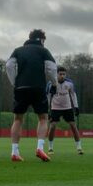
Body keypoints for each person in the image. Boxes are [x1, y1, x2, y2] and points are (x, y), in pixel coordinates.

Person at [6, 29, 58, 162]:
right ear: (41, 40)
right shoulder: (44, 51)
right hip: (38, 87)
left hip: (20, 87)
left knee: (17, 119)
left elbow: (9, 66)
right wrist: (54, 83)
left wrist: (14, 82)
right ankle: (40, 148)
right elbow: (51, 68)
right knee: (43, 118)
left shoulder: (18, 50)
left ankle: (14, 152)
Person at [47, 66, 83, 155]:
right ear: (57, 74)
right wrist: (48, 110)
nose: (62, 76)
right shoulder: (51, 83)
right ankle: (50, 147)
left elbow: (73, 94)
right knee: (53, 126)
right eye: (60, 74)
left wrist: (76, 107)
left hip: (67, 108)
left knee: (73, 126)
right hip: (55, 108)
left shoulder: (69, 83)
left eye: (64, 74)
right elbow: (48, 96)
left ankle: (79, 147)